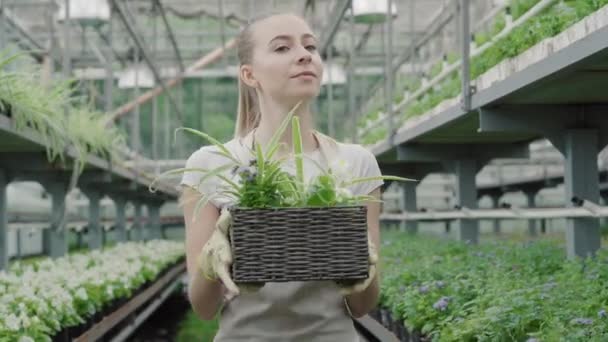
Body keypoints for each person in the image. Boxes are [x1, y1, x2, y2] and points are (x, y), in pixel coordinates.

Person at [179, 12, 384, 341]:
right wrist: (210, 261)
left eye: (311, 47)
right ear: (249, 74)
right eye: (281, 48)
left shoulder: (356, 163)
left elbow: (362, 305)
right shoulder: (209, 165)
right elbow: (204, 308)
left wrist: (364, 264)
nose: (305, 55)